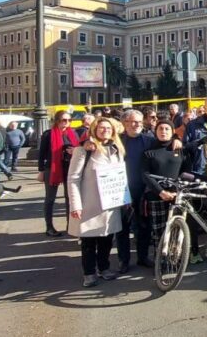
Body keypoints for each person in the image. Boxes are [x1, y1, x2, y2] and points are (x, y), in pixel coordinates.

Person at [67, 116, 126, 288]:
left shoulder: (117, 149)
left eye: (108, 128)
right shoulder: (83, 151)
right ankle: (89, 272)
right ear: (94, 130)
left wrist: (124, 198)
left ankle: (104, 267)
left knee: (107, 238)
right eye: (101, 128)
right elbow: (73, 179)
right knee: (88, 241)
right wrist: (75, 204)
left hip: (110, 204)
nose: (105, 130)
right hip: (89, 204)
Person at [116, 109, 157, 273]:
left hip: (143, 190)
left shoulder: (149, 140)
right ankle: (123, 260)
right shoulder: (116, 141)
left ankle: (143, 257)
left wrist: (176, 142)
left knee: (144, 225)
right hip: (121, 190)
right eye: (133, 122)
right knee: (122, 227)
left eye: (140, 122)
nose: (137, 125)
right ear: (124, 123)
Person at [142, 120, 187, 250]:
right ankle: (160, 259)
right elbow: (145, 174)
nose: (163, 131)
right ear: (155, 131)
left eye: (167, 129)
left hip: (177, 195)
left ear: (173, 132)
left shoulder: (180, 149)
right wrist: (160, 191)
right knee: (159, 232)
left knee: (178, 229)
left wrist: (177, 190)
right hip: (156, 195)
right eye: (160, 129)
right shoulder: (149, 152)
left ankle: (176, 258)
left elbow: (186, 171)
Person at [38, 111, 81, 237]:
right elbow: (41, 154)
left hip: (69, 168)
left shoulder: (73, 133)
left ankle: (71, 225)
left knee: (70, 198)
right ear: (57, 120)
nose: (66, 123)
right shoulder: (48, 134)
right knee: (50, 198)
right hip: (52, 168)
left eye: (69, 120)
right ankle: (49, 227)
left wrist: (74, 151)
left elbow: (79, 150)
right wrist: (41, 171)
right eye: (63, 120)